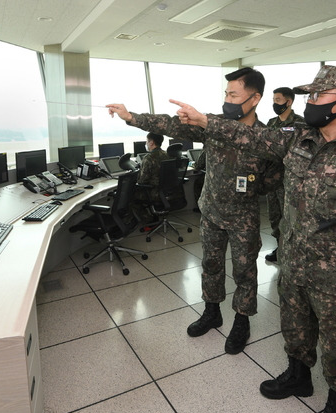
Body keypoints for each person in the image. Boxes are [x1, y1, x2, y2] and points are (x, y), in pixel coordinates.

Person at [172, 65, 336, 413]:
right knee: (295, 325)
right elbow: (249, 137)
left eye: (318, 95)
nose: (311, 102)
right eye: (309, 95)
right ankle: (299, 375)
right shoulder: (298, 138)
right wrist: (205, 121)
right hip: (295, 258)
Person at [107, 67, 278, 355]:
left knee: (245, 272)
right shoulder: (213, 124)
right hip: (211, 210)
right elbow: (172, 125)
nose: (227, 99)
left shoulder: (264, 136)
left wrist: (253, 187)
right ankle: (212, 312)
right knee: (210, 265)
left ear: (255, 98)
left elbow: (273, 175)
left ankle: (242, 321)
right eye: (226, 93)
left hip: (243, 217)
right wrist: (132, 117)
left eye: (234, 94)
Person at [264, 87, 305, 263]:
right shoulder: (271, 123)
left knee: (290, 216)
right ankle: (279, 246)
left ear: (289, 102)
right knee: (275, 215)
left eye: (278, 100)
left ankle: (291, 250)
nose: (275, 103)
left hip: (290, 180)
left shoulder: (300, 124)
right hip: (271, 179)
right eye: (273, 99)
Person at [133, 132, 170, 226]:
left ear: (151, 142)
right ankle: (154, 218)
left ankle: (149, 221)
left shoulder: (148, 158)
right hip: (167, 192)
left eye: (147, 141)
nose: (146, 144)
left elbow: (141, 181)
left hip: (154, 193)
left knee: (131, 195)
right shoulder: (167, 155)